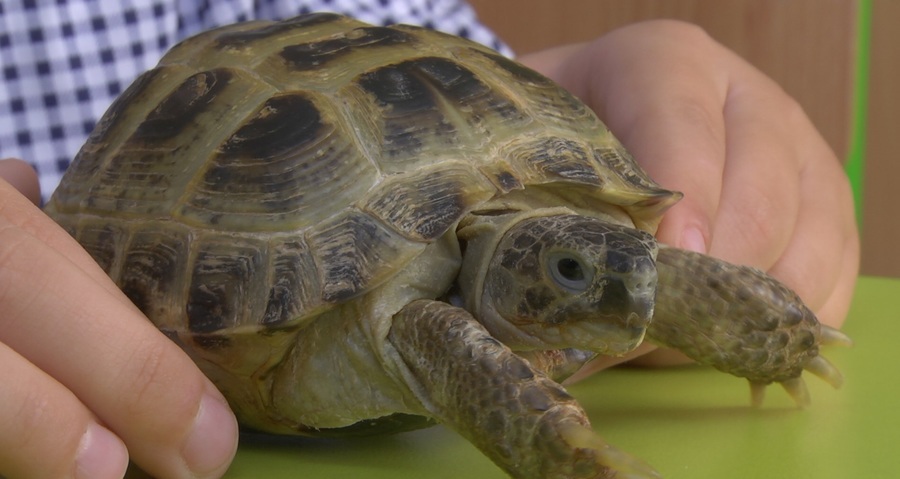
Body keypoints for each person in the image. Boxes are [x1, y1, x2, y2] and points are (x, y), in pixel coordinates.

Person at [0, 1, 859, 478]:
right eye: (566, 271)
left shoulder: (592, 261)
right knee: (437, 330)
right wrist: (558, 446)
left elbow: (390, 40)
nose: (621, 296)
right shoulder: (425, 318)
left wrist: (769, 326)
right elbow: (441, 328)